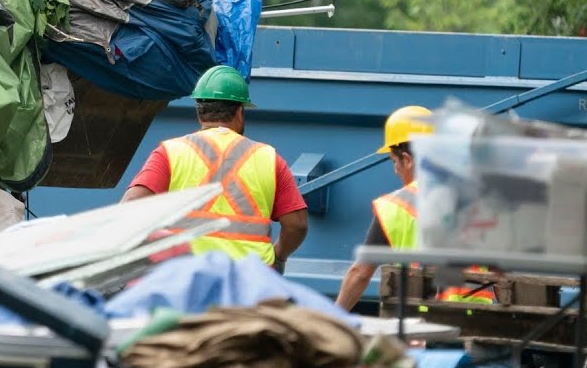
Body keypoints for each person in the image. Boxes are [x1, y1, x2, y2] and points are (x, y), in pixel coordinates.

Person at [121, 65, 309, 273]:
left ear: (199, 112)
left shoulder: (170, 152)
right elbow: (297, 225)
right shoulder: (269, 158)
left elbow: (130, 207)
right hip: (251, 282)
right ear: (239, 112)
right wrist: (279, 258)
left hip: (185, 279)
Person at [335, 105, 493, 311]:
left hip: (420, 327)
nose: (395, 170)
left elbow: (360, 273)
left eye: (394, 161)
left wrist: (332, 316)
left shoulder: (394, 207)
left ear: (407, 160)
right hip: (477, 323)